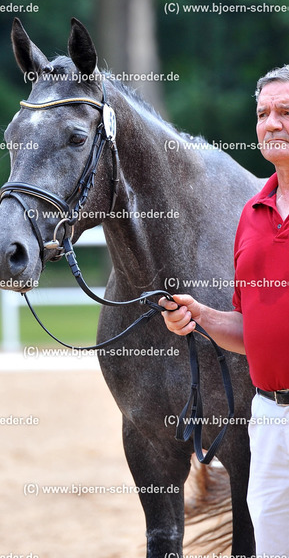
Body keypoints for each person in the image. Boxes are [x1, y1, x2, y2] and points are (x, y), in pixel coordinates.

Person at [159, 65, 289, 554]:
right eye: (263, 114)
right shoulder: (251, 215)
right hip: (271, 415)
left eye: (286, 112)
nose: (272, 123)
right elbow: (248, 328)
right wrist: (201, 317)